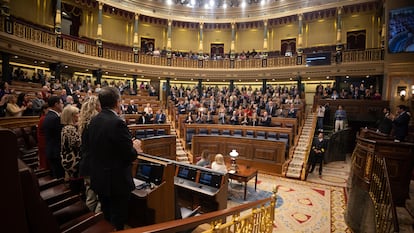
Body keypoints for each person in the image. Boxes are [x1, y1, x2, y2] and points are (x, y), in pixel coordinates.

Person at [87, 87, 142, 230]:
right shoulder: (117, 122)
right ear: (118, 102)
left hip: (100, 179)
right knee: (118, 219)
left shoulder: (94, 121)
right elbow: (128, 155)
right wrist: (135, 148)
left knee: (106, 217)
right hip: (116, 182)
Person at [78, 96, 101, 213]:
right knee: (100, 198)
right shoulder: (96, 123)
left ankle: (88, 223)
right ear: (96, 106)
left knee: (90, 197)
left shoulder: (84, 123)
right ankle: (97, 224)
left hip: (86, 164)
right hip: (95, 165)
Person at [60, 105, 83, 194]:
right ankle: (76, 201)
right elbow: (78, 144)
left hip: (71, 159)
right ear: (71, 116)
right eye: (77, 113)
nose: (79, 115)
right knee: (76, 184)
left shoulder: (68, 127)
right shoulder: (70, 129)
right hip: (73, 160)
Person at [42, 96, 65, 178]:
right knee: (60, 177)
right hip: (56, 151)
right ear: (56, 104)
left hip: (51, 150)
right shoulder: (55, 118)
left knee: (57, 175)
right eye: (61, 103)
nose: (63, 105)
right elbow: (60, 135)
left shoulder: (49, 116)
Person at [37, 103, 49, 170]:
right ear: (44, 110)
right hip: (44, 142)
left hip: (44, 142)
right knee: (45, 162)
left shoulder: (43, 118)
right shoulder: (43, 119)